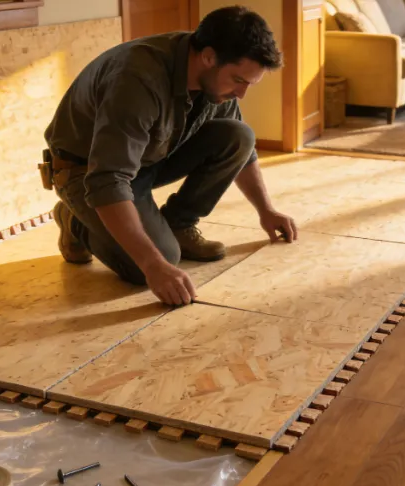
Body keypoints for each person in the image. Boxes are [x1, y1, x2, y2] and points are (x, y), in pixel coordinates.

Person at [42, 6, 297, 307]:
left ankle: (179, 224)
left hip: (144, 161)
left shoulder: (213, 78)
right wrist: (152, 264)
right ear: (209, 57)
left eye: (249, 84)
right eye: (239, 80)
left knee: (238, 135)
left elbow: (243, 149)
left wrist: (266, 210)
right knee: (152, 262)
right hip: (86, 172)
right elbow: (107, 180)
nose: (241, 94)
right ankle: (74, 220)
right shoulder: (137, 79)